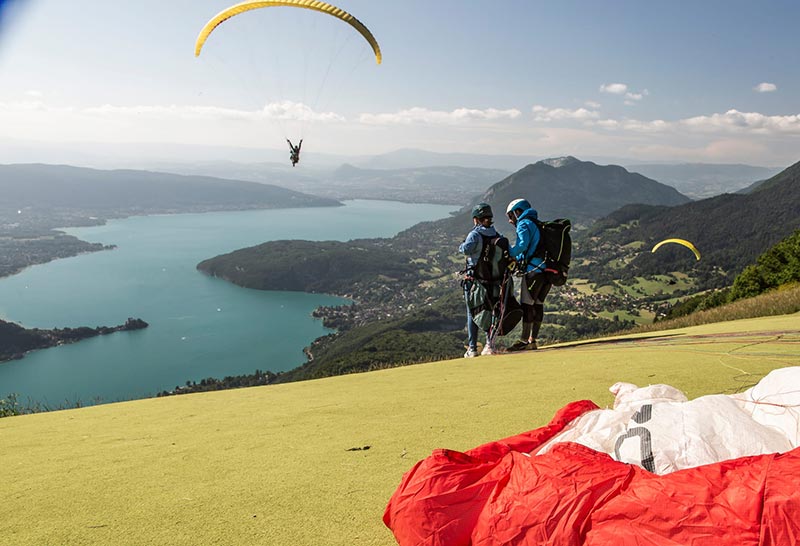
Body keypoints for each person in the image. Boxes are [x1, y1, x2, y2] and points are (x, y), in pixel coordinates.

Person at [505, 198, 551, 351]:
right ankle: (533, 340)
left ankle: (524, 341)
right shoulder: (536, 223)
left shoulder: (524, 224)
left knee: (527, 305)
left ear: (518, 211)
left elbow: (522, 245)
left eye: (511, 215)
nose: (510, 220)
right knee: (538, 304)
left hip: (533, 271)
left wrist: (508, 253)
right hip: (546, 271)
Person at [459, 202, 503, 357]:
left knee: (473, 311)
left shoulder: (475, 235)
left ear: (476, 219)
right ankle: (489, 344)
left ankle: (472, 349)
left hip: (475, 280)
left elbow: (465, 250)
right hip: (494, 281)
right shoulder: (497, 235)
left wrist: (461, 244)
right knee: (491, 311)